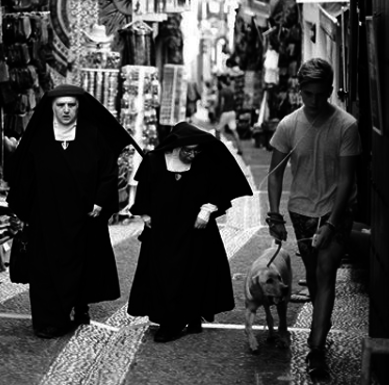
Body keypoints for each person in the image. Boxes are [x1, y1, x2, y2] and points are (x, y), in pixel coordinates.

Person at [6, 84, 136, 339]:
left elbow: (109, 171)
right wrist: (25, 208)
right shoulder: (39, 137)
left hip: (84, 216)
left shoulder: (92, 133)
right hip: (47, 215)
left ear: (79, 107)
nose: (66, 110)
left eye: (71, 105)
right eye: (60, 105)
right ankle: (49, 320)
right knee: (46, 269)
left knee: (82, 263)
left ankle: (80, 304)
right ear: (52, 107)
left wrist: (100, 201)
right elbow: (24, 176)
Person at [266, 58, 361, 378]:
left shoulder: (346, 125)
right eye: (308, 94)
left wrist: (332, 224)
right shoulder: (289, 125)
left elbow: (347, 180)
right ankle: (323, 318)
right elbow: (275, 175)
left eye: (321, 94)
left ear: (331, 91)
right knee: (315, 275)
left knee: (326, 272)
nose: (315, 101)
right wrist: (275, 215)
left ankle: (315, 348)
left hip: (337, 211)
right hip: (302, 211)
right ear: (300, 90)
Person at [127, 122, 253, 343]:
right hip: (163, 231)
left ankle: (182, 319)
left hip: (195, 229)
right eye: (188, 150)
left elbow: (218, 188)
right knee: (165, 275)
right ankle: (169, 319)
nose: (193, 155)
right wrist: (146, 215)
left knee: (193, 273)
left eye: (197, 150)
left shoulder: (204, 163)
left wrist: (207, 209)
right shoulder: (154, 161)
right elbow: (144, 191)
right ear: (177, 146)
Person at [215, 78, 243, 155]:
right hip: (232, 112)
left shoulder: (222, 92)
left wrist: (219, 114)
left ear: (221, 82)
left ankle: (218, 149)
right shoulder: (231, 91)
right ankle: (240, 149)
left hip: (225, 113)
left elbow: (222, 103)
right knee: (234, 131)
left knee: (217, 130)